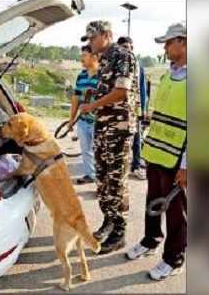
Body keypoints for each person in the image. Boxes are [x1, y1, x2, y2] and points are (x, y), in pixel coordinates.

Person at [126, 23, 187, 281]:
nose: (164, 47)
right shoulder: (166, 75)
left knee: (176, 212)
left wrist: (187, 165)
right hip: (156, 153)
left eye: (169, 42)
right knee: (153, 201)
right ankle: (151, 240)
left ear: (184, 42)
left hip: (177, 159)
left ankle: (174, 258)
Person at [79, 20, 138, 254]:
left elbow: (121, 91)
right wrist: (95, 97)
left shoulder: (123, 55)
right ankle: (108, 221)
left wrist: (93, 105)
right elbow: (108, 89)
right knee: (102, 180)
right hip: (103, 128)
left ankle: (119, 232)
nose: (90, 43)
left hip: (118, 129)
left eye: (92, 38)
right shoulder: (103, 59)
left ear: (106, 35)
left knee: (116, 181)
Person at [117, 36, 147, 181]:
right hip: (119, 111)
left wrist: (144, 109)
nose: (128, 50)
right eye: (124, 47)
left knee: (137, 138)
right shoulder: (115, 65)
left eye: (130, 47)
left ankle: (136, 166)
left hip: (135, 109)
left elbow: (142, 89)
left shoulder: (138, 66)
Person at [68, 45, 100, 184]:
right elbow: (75, 98)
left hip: (98, 121)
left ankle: (101, 180)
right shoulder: (81, 76)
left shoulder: (103, 76)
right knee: (85, 149)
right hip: (83, 121)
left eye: (84, 55)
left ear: (94, 57)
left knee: (99, 152)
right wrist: (71, 119)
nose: (81, 58)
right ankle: (90, 174)